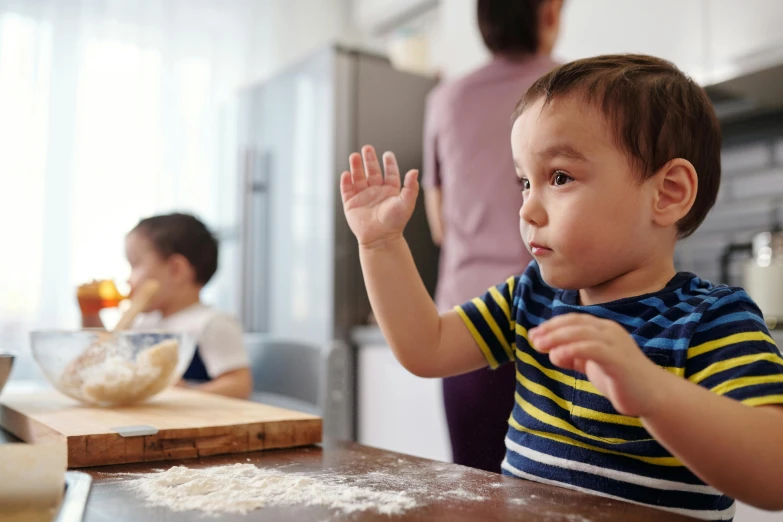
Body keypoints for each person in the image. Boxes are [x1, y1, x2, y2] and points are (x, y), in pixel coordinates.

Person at [339, 55, 783, 519]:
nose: (527, 209)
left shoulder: (712, 320)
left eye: (560, 178)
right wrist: (381, 244)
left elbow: (774, 476)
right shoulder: (530, 299)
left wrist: (656, 394)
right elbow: (425, 346)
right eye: (525, 183)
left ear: (667, 192)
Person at [423, 0, 563, 472]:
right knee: (563, 486)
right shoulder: (578, 90)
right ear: (548, 12)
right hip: (560, 314)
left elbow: (439, 224)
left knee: (474, 481)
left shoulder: (447, 99)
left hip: (466, 318)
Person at [81, 213, 252, 399]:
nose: (128, 280)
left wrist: (186, 394)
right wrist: (90, 314)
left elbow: (239, 385)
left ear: (176, 270)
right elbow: (103, 356)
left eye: (135, 265)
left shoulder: (211, 322)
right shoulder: (144, 322)